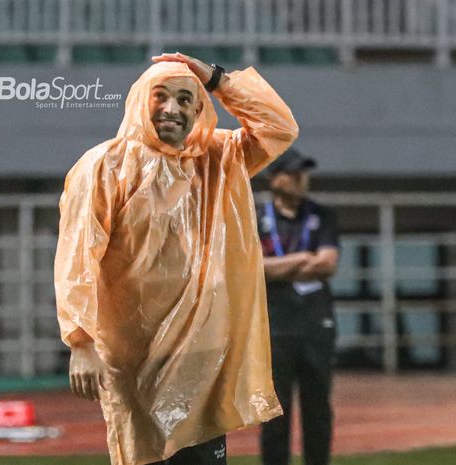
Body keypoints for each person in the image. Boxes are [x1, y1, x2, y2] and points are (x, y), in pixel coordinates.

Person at [54, 52, 299, 465]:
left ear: (199, 109)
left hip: (203, 353)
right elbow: (79, 255)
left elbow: (279, 128)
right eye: (161, 96)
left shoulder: (219, 158)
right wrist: (80, 340)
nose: (172, 109)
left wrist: (217, 79)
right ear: (138, 101)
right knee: (145, 457)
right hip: (135, 355)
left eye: (186, 99)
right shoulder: (104, 167)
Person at [257, 149, 340, 465]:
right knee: (275, 413)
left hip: (316, 326)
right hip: (274, 328)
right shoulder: (255, 217)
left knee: (317, 408)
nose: (301, 179)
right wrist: (303, 259)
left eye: (304, 173)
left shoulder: (322, 215)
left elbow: (327, 264)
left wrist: (277, 266)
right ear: (273, 178)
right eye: (293, 173)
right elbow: (252, 268)